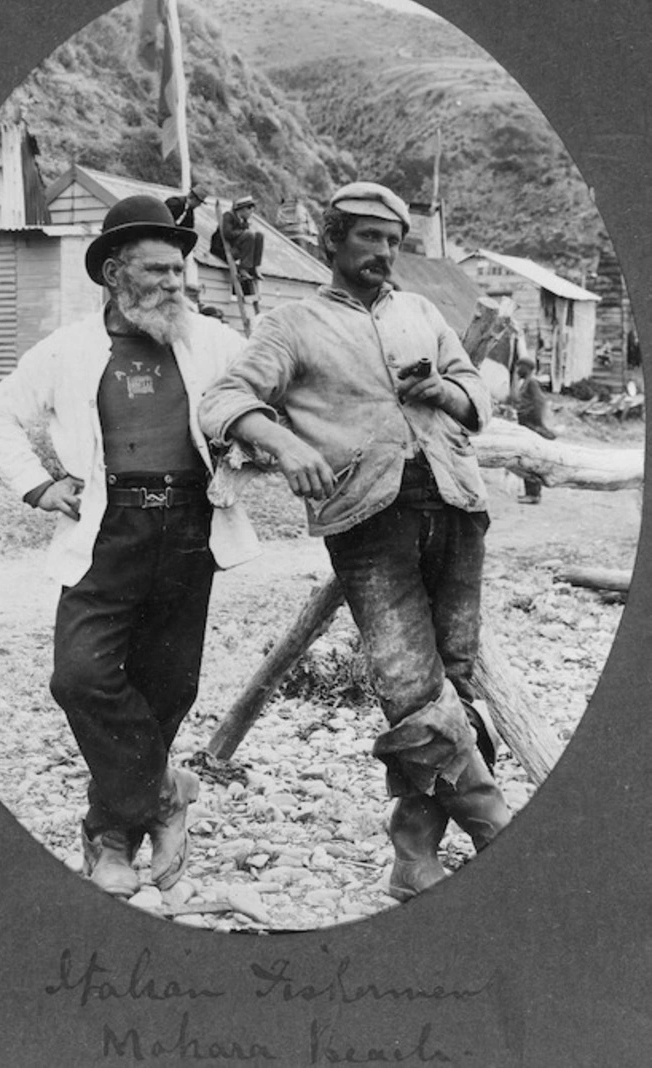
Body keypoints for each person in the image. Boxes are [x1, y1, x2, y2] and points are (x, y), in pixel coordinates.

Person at [200, 181, 511, 903]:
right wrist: (279, 440)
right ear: (331, 241)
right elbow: (223, 400)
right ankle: (495, 822)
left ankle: (414, 852)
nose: (382, 253)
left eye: (393, 241)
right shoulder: (292, 323)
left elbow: (476, 397)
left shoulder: (423, 311)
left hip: (457, 500)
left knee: (451, 678)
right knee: (410, 685)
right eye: (367, 237)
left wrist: (444, 392)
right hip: (369, 518)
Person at [0, 195, 258, 899]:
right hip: (108, 529)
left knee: (169, 685)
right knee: (80, 676)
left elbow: (267, 404)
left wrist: (248, 447)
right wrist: (40, 488)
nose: (176, 284)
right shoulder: (68, 349)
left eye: (180, 270)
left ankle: (110, 836)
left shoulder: (215, 343)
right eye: (158, 271)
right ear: (113, 275)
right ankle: (166, 792)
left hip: (191, 526)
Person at [513, 355, 556, 504]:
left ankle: (533, 494)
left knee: (531, 462)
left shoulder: (531, 383)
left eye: (520, 367)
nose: (518, 369)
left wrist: (536, 425)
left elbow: (538, 404)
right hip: (526, 426)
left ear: (528, 369)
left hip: (531, 427)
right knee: (527, 461)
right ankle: (531, 493)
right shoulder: (526, 383)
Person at [210, 195, 265, 289]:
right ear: (242, 209)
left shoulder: (243, 221)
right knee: (249, 235)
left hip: (235, 249)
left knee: (259, 236)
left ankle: (253, 268)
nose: (251, 212)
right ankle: (243, 269)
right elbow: (227, 233)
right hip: (223, 250)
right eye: (249, 209)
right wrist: (243, 231)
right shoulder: (228, 216)